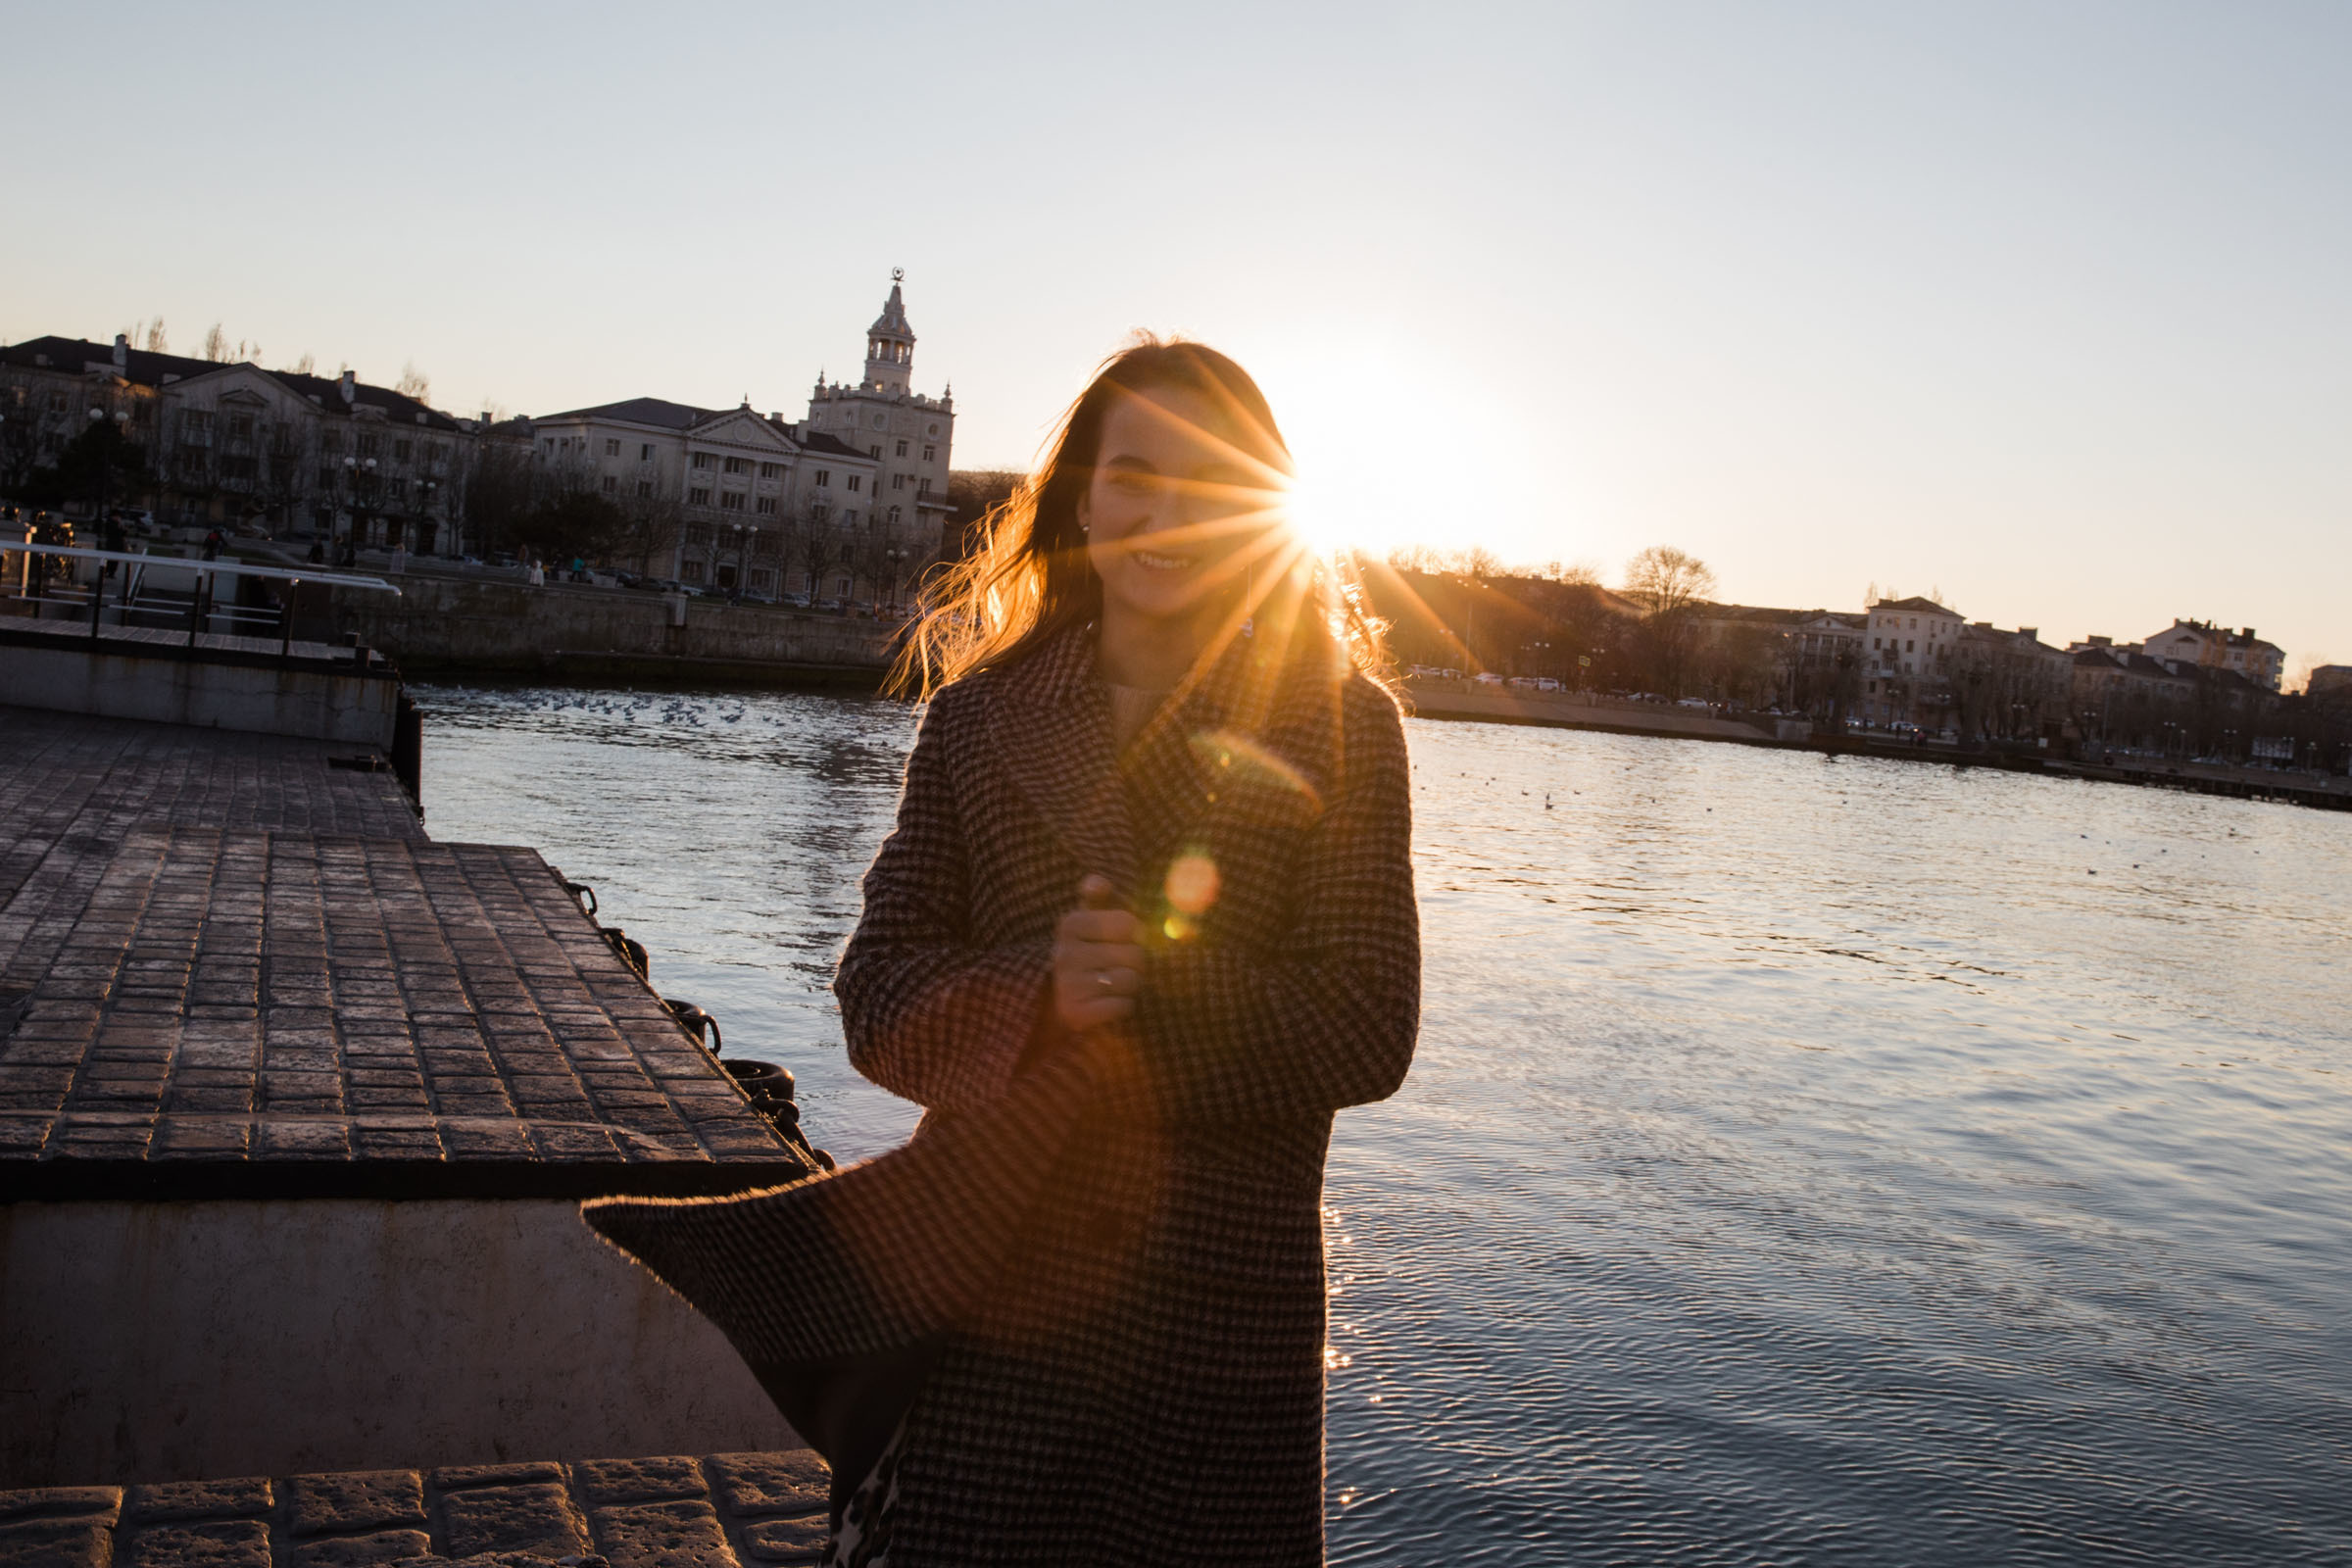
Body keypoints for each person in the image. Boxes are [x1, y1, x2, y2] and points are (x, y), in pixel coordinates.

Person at [585, 339, 1421, 1566]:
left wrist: (1158, 989)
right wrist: (1039, 994)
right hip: (996, 1305)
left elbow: (1367, 1022)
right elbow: (877, 991)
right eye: (1136, 474)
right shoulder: (979, 716)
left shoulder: (1347, 725)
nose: (1166, 515)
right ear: (1083, 496)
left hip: (1219, 1333)